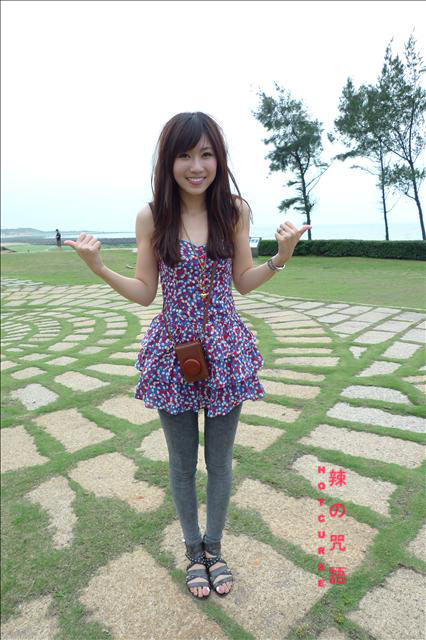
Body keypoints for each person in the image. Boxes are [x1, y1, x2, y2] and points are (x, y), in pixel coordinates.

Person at [64, 111, 311, 600]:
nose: (196, 166)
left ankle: (214, 549)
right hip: (172, 352)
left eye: (206, 154)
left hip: (226, 351)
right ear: (168, 161)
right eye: (184, 155)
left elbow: (243, 282)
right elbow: (144, 292)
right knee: (181, 462)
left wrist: (281, 257)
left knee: (219, 461)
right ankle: (192, 551)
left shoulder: (234, 210)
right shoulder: (152, 216)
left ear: (219, 158)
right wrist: (99, 268)